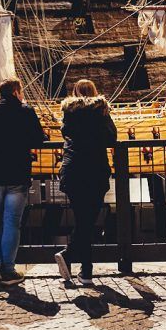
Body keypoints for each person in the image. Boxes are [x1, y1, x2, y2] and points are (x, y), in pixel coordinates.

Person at [0, 78, 45, 288]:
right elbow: (39, 140)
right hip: (17, 175)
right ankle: (9, 269)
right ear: (15, 92)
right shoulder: (26, 112)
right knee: (12, 222)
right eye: (21, 91)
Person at [54, 79, 117, 286]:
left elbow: (65, 133)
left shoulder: (69, 111)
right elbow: (111, 138)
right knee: (88, 221)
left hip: (74, 170)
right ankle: (81, 267)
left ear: (75, 92)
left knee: (83, 220)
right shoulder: (101, 111)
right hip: (96, 169)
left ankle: (79, 263)